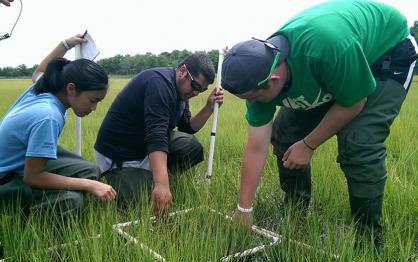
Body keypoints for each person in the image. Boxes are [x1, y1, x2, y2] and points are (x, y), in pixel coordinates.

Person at [221, 0, 418, 246]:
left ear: (273, 79)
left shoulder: (326, 48)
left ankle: (369, 240)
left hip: (387, 52)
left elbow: (354, 103)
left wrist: (309, 144)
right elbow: (256, 147)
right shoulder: (259, 75)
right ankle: (296, 212)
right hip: (338, 62)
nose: (252, 103)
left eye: (252, 97)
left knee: (360, 144)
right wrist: (244, 208)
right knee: (284, 135)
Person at [0, 33, 117, 216]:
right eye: (93, 100)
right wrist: (90, 185)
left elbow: (39, 72)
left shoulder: (45, 87)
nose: (94, 108)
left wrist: (65, 44)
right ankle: (20, 216)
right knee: (71, 201)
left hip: (21, 160)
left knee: (89, 170)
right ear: (71, 88)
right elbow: (33, 176)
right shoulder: (48, 116)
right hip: (6, 180)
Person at [94, 53, 223, 214]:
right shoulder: (159, 84)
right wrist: (161, 184)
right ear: (182, 71)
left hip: (144, 146)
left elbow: (187, 128)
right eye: (195, 86)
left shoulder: (181, 91)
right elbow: (156, 135)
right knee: (140, 204)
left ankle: (158, 175)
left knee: (191, 146)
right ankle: (136, 178)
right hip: (121, 154)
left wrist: (209, 107)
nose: (196, 93)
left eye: (202, 90)